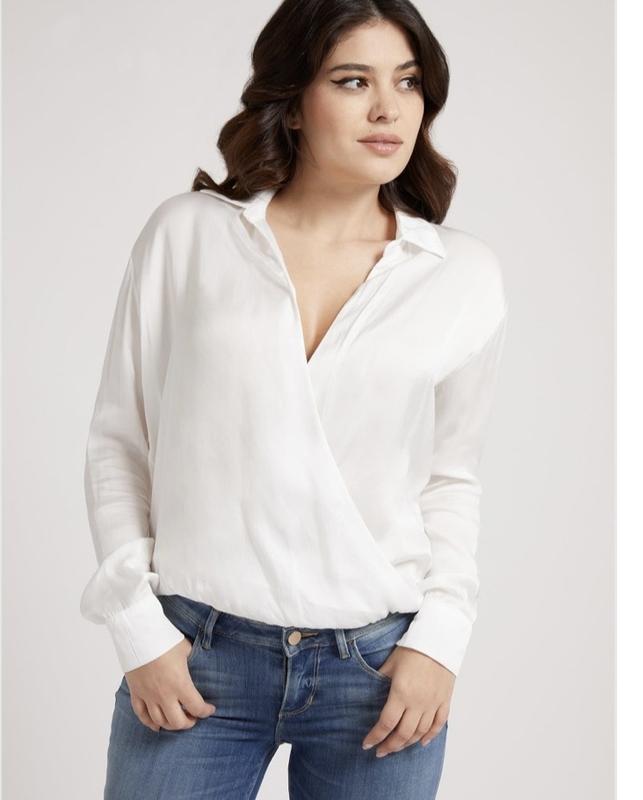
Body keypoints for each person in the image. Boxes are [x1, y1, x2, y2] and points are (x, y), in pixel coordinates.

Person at [80, 1, 508, 797]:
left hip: (379, 671)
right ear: (294, 102)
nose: (387, 109)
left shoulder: (459, 274)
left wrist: (439, 641)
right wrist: (138, 629)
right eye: (352, 81)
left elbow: (450, 477)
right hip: (195, 657)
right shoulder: (190, 235)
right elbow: (120, 441)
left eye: (407, 82)